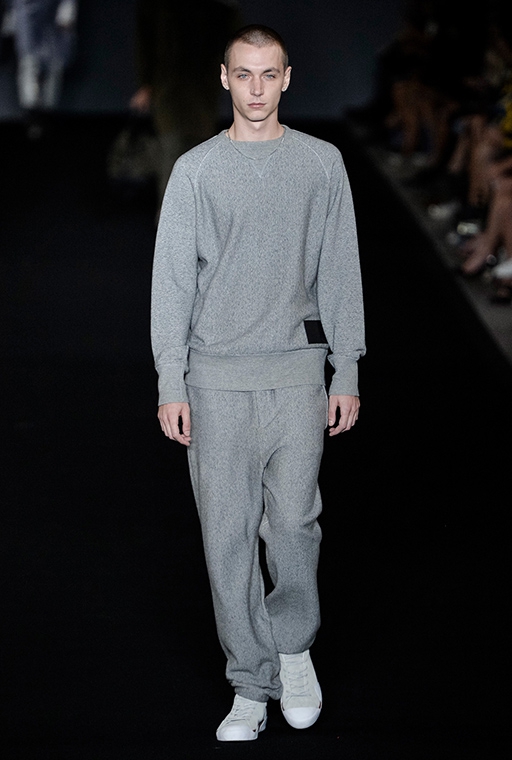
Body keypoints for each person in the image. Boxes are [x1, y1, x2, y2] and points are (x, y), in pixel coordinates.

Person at [151, 24, 365, 742]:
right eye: (243, 74)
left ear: (287, 77)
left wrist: (347, 366)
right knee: (228, 536)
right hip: (215, 380)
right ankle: (250, 680)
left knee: (296, 524)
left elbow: (339, 268)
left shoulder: (321, 163)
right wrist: (172, 380)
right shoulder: (196, 171)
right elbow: (172, 284)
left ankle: (294, 651)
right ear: (223, 78)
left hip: (297, 374)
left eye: (268, 74)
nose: (256, 89)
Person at [129, 0, 242, 211]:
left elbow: (234, 37)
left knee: (196, 153)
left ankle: (188, 221)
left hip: (198, 86)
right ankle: (173, 223)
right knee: (174, 151)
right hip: (171, 87)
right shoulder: (157, 8)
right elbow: (146, 37)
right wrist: (145, 84)